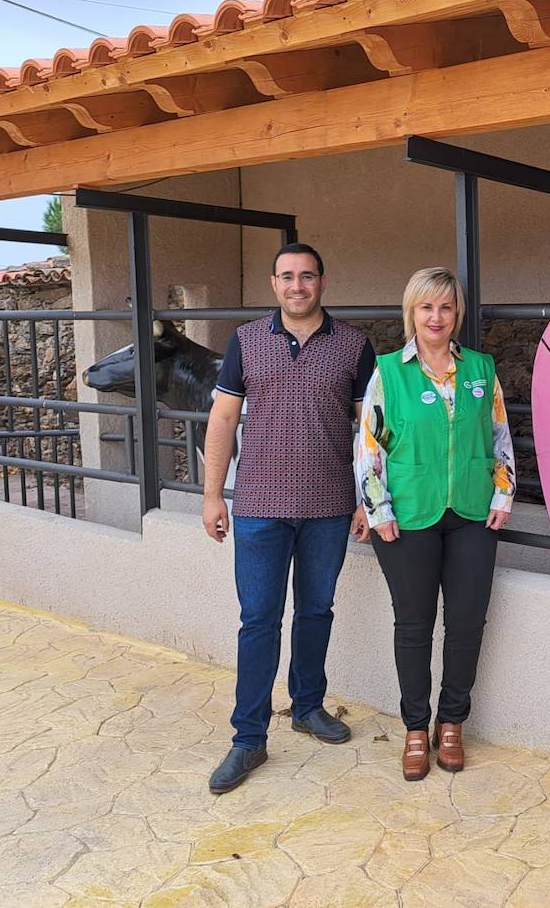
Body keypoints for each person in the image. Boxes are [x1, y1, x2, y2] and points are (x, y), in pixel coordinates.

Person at [201, 242, 375, 794]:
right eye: (286, 276)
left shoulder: (353, 345)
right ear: (273, 283)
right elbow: (223, 417)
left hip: (328, 506)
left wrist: (370, 498)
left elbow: (371, 430)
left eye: (307, 276)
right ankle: (248, 738)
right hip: (257, 506)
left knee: (316, 610)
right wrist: (212, 495)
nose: (296, 286)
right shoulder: (247, 340)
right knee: (258, 621)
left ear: (323, 282)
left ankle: (307, 706)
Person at [354, 266, 515, 781]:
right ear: (412, 313)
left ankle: (453, 723)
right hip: (408, 516)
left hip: (471, 513)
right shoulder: (389, 372)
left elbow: (499, 437)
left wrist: (504, 494)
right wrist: (377, 510)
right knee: (414, 625)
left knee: (467, 623)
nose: (436, 317)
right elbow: (369, 447)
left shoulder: (481, 370)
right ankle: (416, 729)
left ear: (457, 314)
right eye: (426, 307)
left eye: (446, 307)